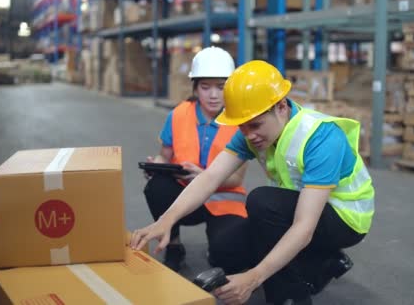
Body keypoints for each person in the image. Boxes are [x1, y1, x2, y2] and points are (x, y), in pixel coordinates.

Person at [132, 60, 375, 305]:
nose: (249, 135)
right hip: (296, 207)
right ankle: (317, 261)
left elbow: (304, 226)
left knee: (263, 201)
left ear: (281, 107)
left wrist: (254, 278)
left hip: (345, 218)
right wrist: (166, 220)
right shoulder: (252, 130)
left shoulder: (321, 138)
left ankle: (292, 294)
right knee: (225, 252)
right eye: (243, 127)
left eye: (255, 126)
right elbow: (210, 177)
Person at [142, 46, 249, 273]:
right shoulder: (179, 114)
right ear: (195, 87)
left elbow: (237, 179)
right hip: (186, 195)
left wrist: (203, 177)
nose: (213, 95)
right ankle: (173, 246)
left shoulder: (241, 121)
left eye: (221, 87)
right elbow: (165, 154)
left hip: (223, 200)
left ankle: (217, 249)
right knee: (156, 187)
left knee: (226, 256)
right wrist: (159, 165)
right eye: (205, 87)